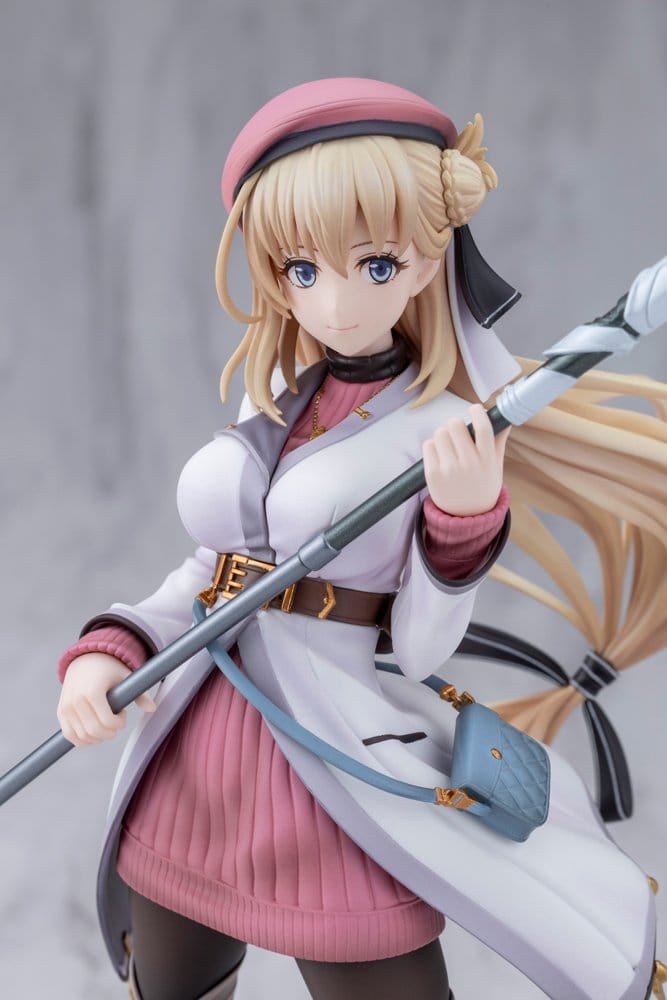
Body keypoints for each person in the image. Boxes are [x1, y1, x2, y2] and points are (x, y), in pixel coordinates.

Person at [56, 79, 661, 1000]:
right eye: (302, 270)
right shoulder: (273, 397)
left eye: (374, 264)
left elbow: (418, 648)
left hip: (325, 758)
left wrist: (461, 526)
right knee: (169, 977)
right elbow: (209, 576)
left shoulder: (442, 427)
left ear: (425, 262)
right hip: (193, 757)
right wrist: (112, 649)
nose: (335, 302)